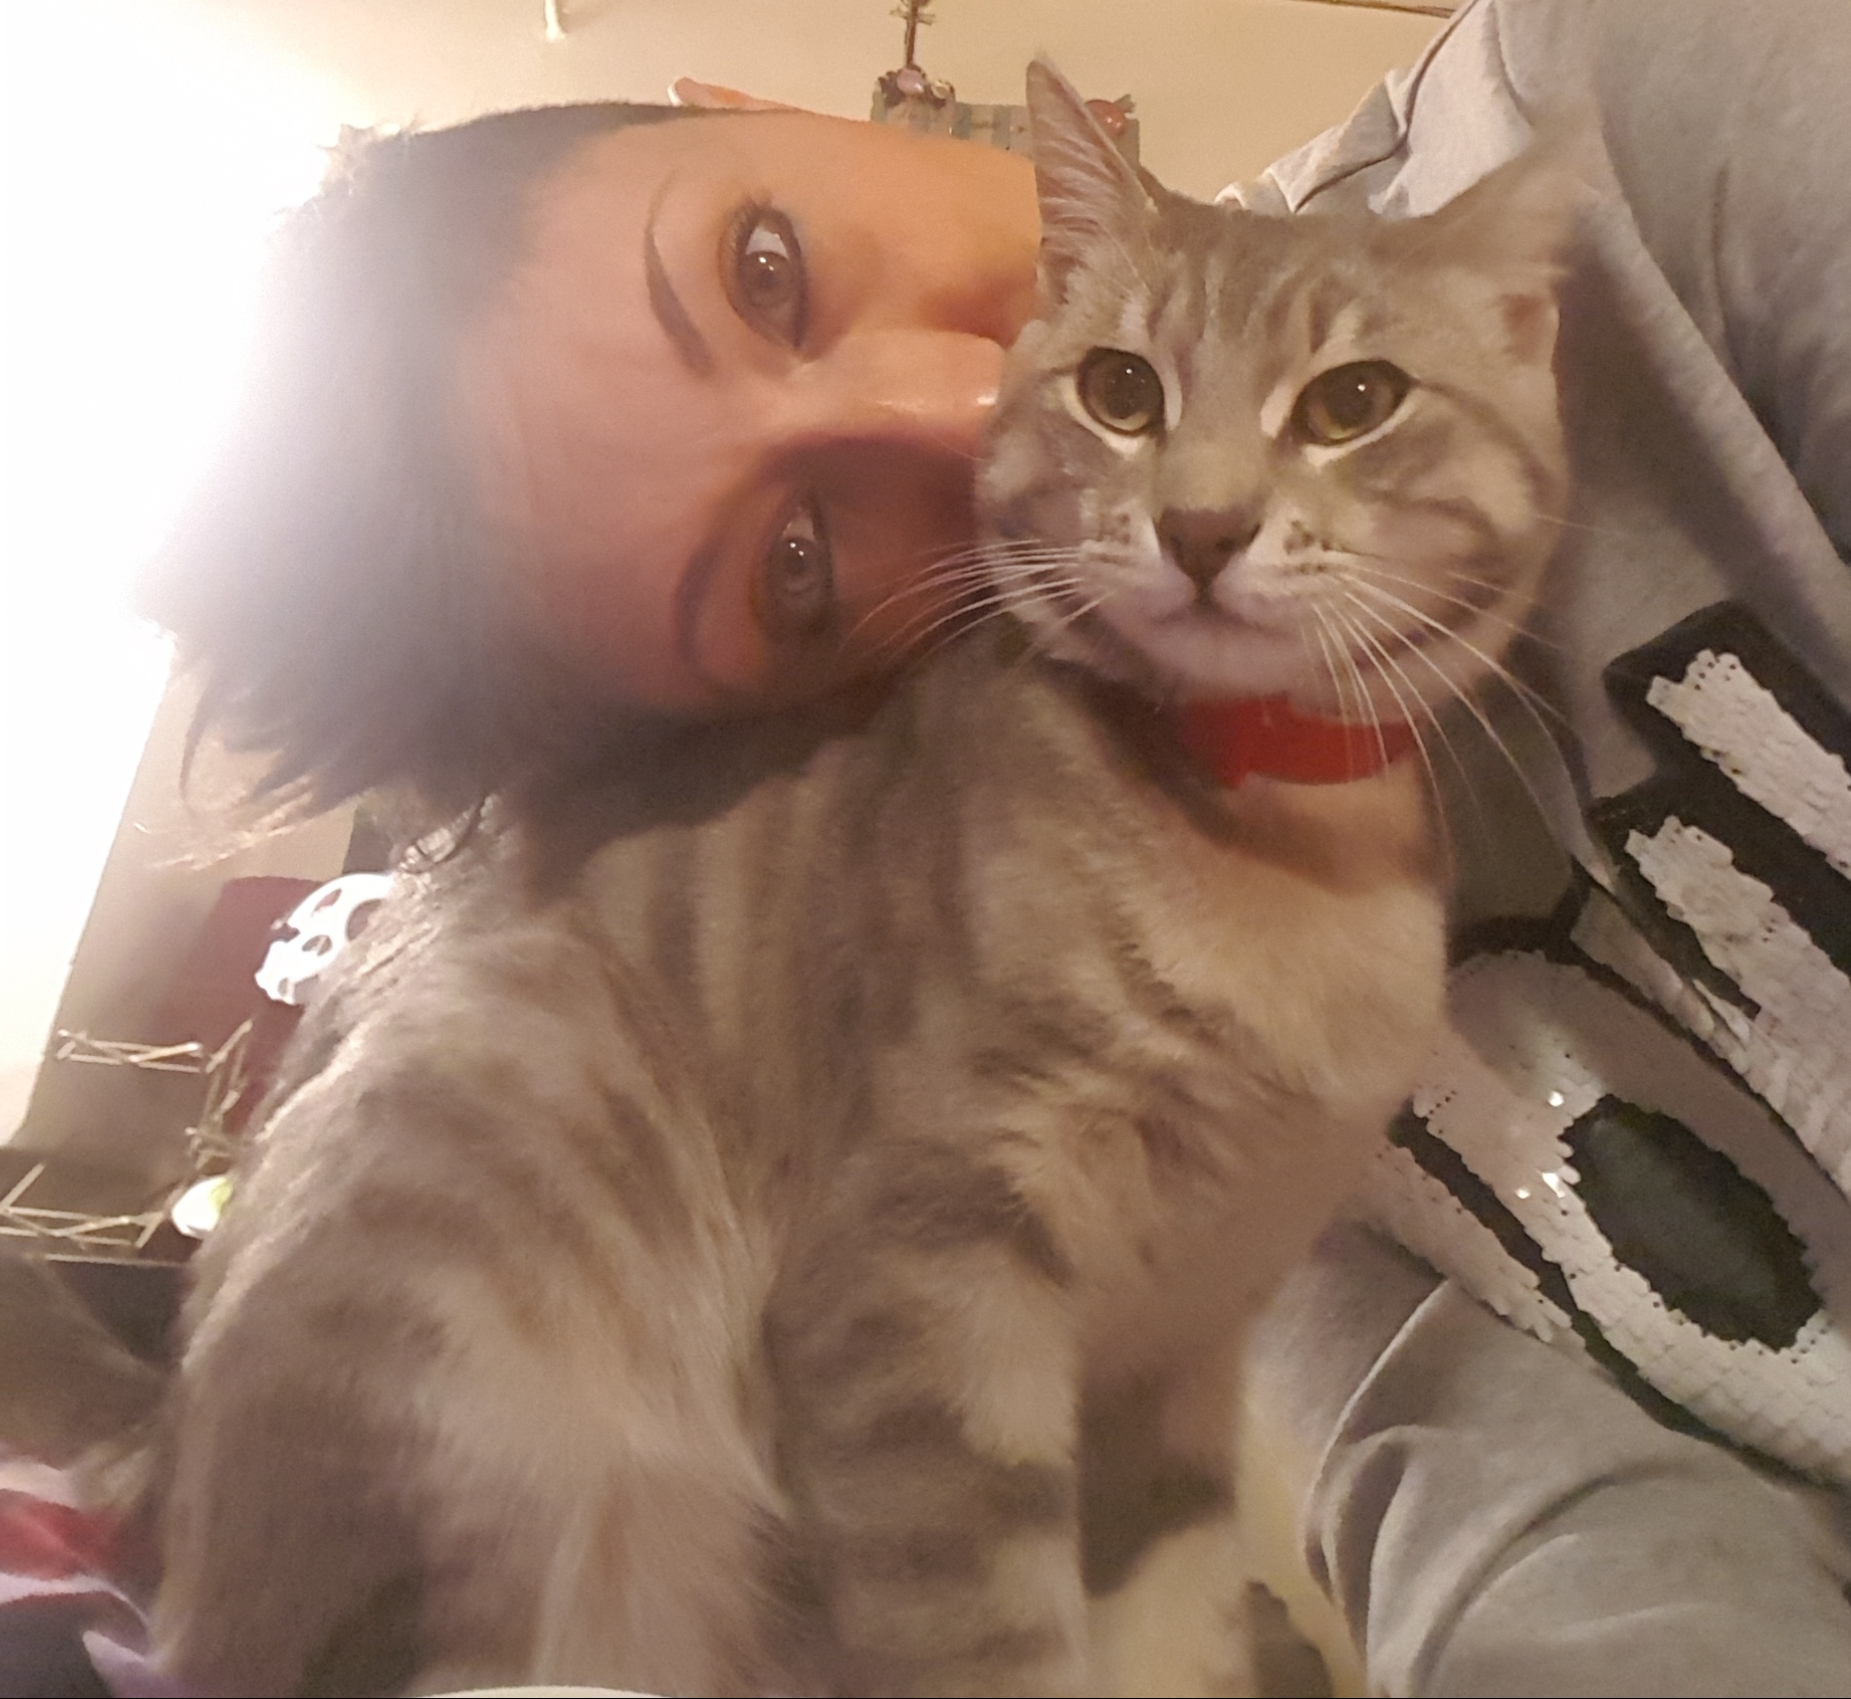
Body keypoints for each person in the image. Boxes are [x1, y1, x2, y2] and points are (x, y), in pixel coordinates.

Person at [136, 0, 1851, 1692]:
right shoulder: (1005, 845)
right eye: (797, 567)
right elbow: (1522, 1505)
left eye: (766, 270)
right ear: (771, 718)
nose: (960, 407)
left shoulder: (1642, 111)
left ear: (752, 100)